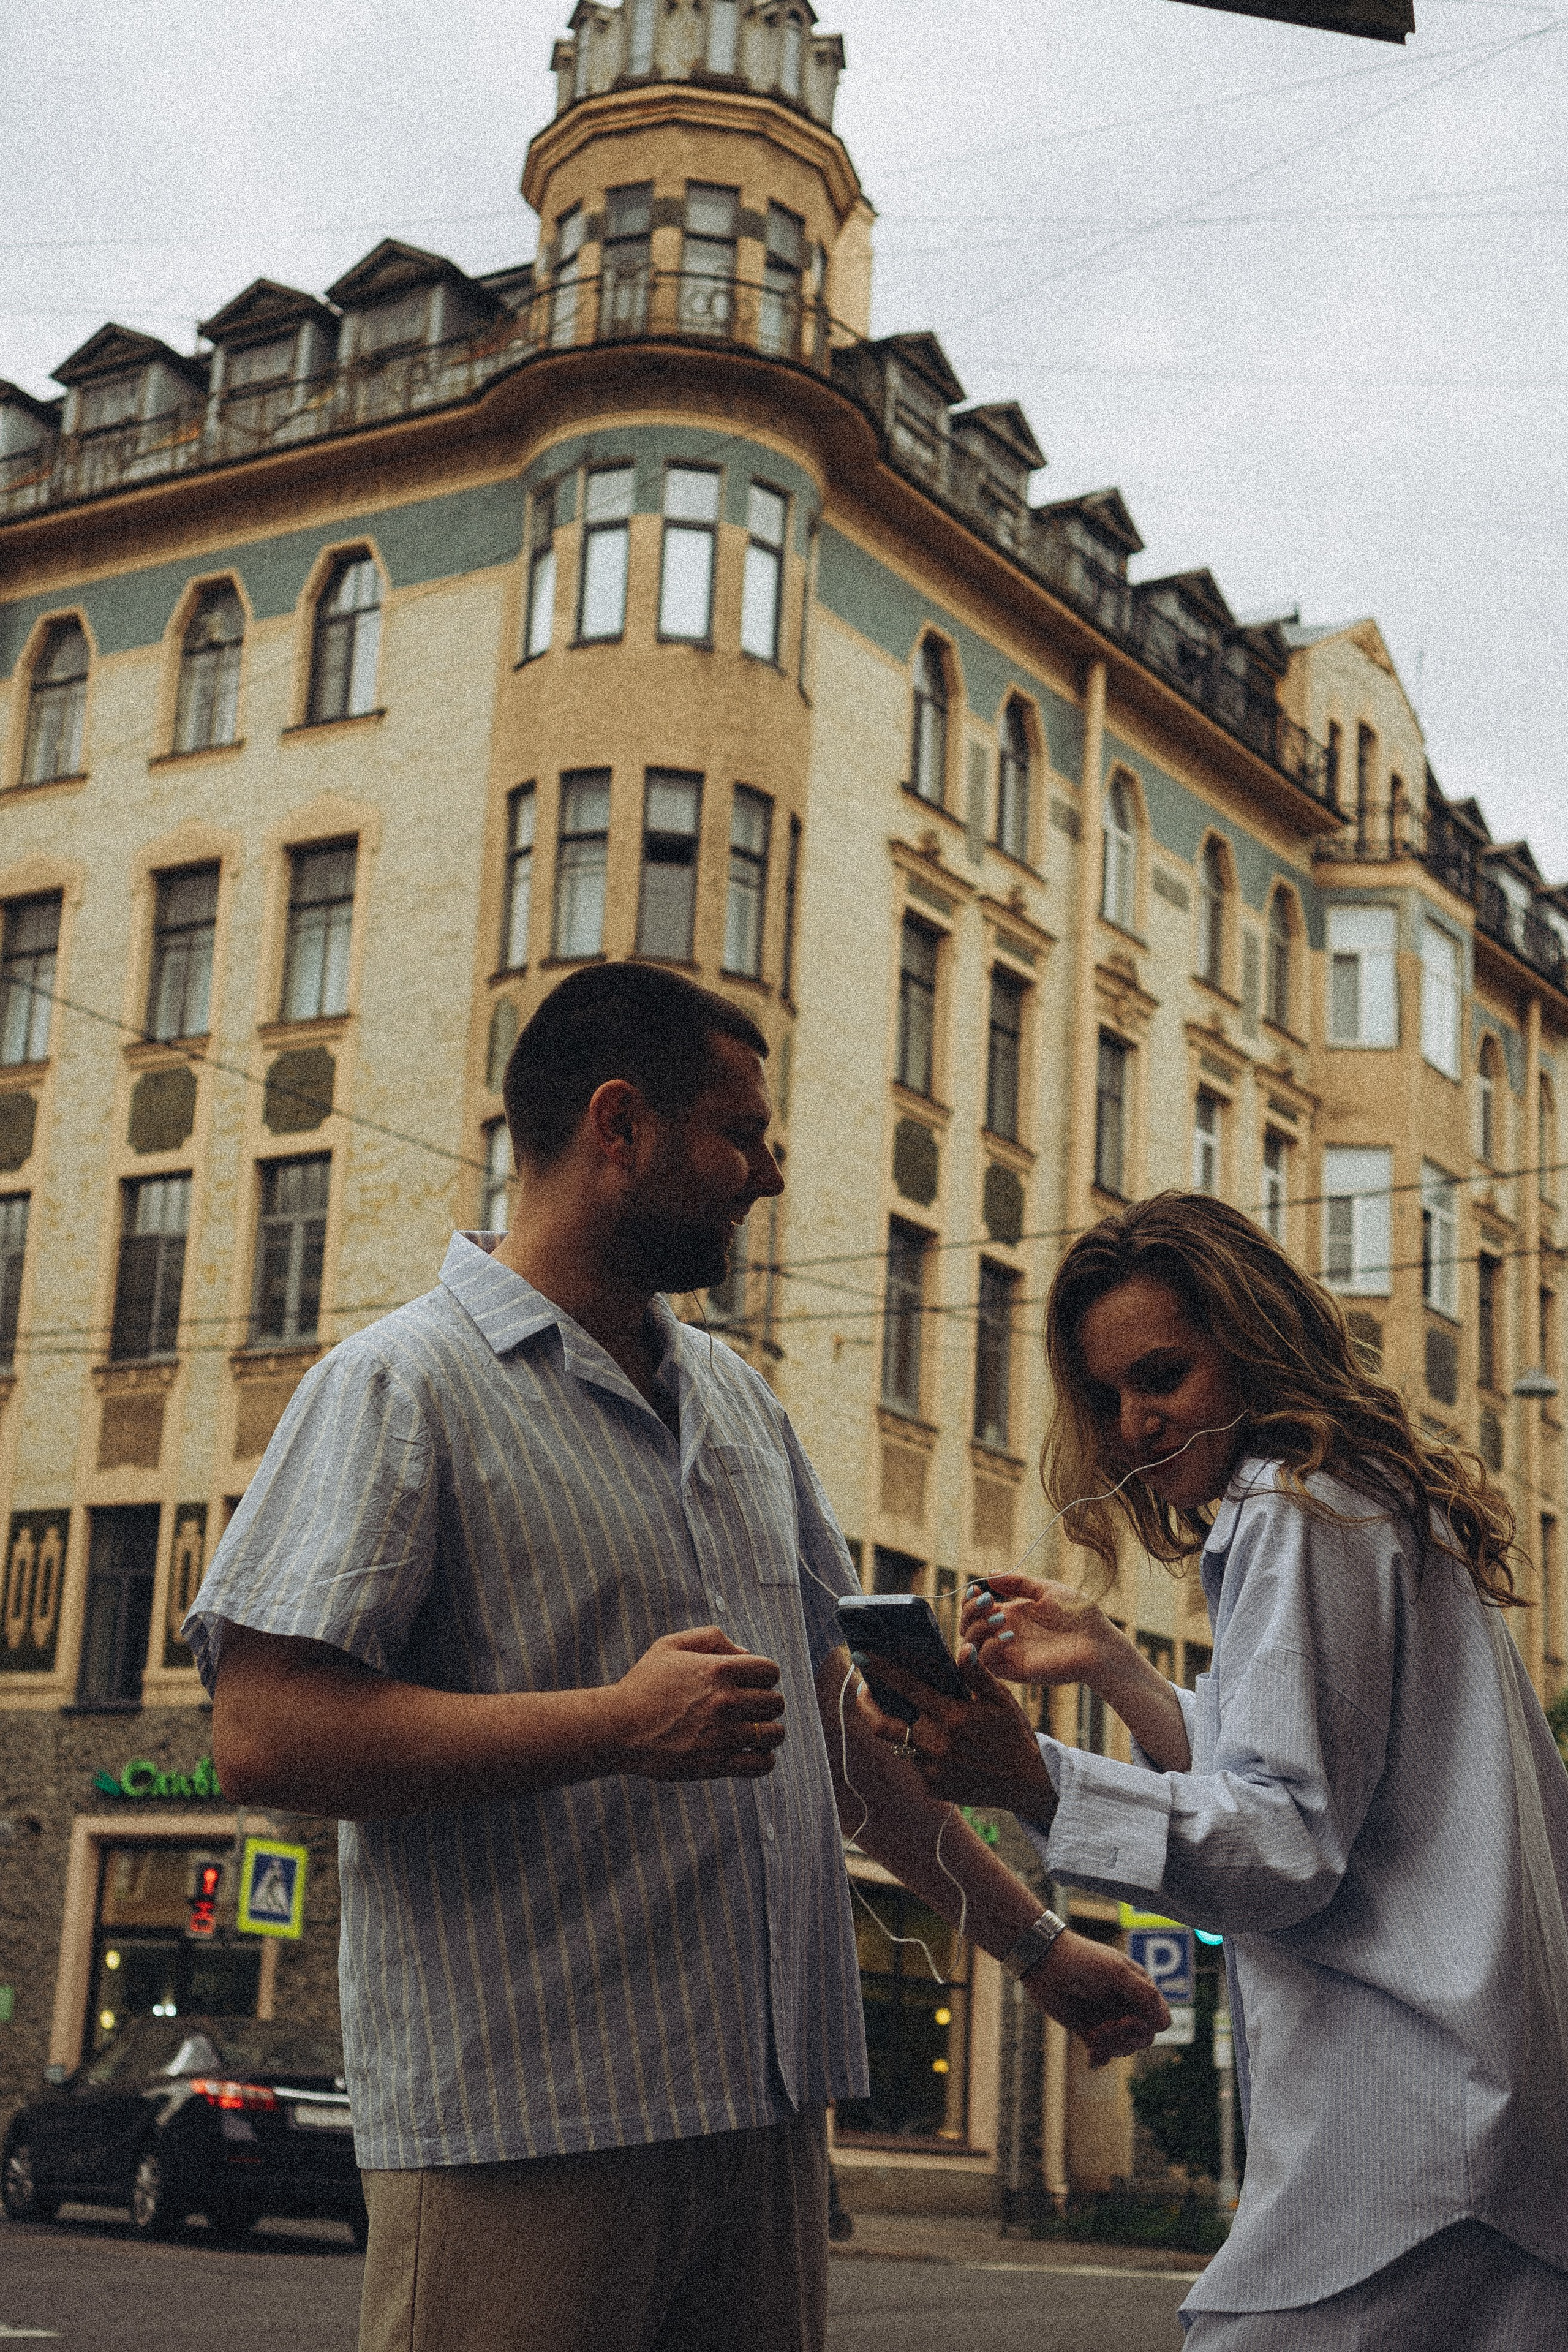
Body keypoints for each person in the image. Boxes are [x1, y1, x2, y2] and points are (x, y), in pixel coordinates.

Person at [186, 962, 1167, 2352]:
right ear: (617, 1127)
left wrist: (1038, 1946)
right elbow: (262, 1735)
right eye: (739, 1133)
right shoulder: (399, 1385)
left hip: (761, 2124)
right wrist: (613, 1723)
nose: (766, 1173)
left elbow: (842, 1739)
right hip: (526, 2134)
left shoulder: (736, 1407)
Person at [860, 1190, 1568, 2348]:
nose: (1133, 1423)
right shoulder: (1355, 1501)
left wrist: (1032, 1780)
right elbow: (1320, 1783)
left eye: (1162, 1376)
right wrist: (1120, 1671)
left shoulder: (1296, 1511)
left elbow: (1287, 1847)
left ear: (1250, 1345)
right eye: (1107, 1395)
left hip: (1405, 2152)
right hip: (1464, 2136)